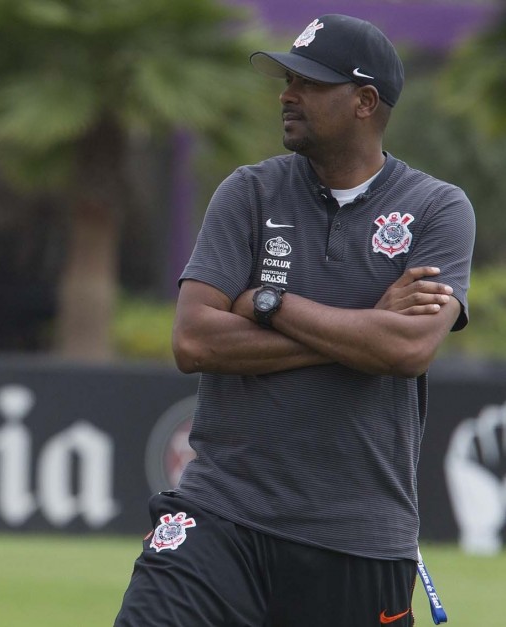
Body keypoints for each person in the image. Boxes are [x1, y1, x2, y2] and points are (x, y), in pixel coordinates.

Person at [115, 14, 474, 627]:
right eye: (288, 79)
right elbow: (195, 338)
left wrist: (267, 303)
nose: (287, 93)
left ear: (365, 102)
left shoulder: (437, 208)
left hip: (360, 536)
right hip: (220, 513)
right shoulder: (249, 192)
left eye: (309, 82)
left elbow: (407, 349)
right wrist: (364, 329)